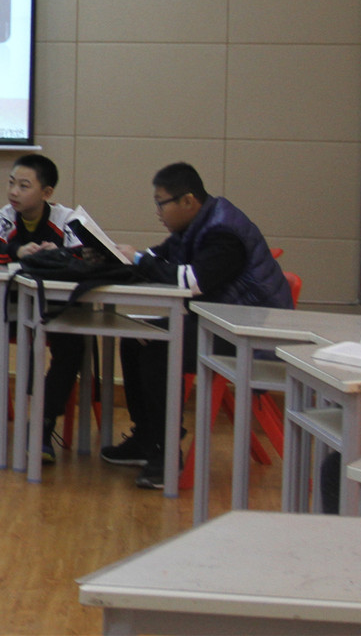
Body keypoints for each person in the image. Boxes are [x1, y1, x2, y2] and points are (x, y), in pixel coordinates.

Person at [108, 162, 291, 490]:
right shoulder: (194, 226)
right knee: (136, 337)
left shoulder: (224, 233)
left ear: (188, 201)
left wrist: (138, 259)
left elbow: (191, 282)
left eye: (161, 204)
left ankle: (165, 454)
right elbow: (159, 259)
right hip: (222, 325)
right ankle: (146, 437)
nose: (158, 213)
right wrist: (119, 257)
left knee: (159, 346)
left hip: (250, 337)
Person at [0, 154, 86, 463]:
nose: (14, 191)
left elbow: (87, 256)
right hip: (12, 313)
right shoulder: (4, 216)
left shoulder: (67, 219)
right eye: (11, 183)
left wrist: (58, 254)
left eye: (24, 186)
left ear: (47, 192)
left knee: (74, 343)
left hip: (54, 315)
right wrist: (18, 251)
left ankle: (43, 424)